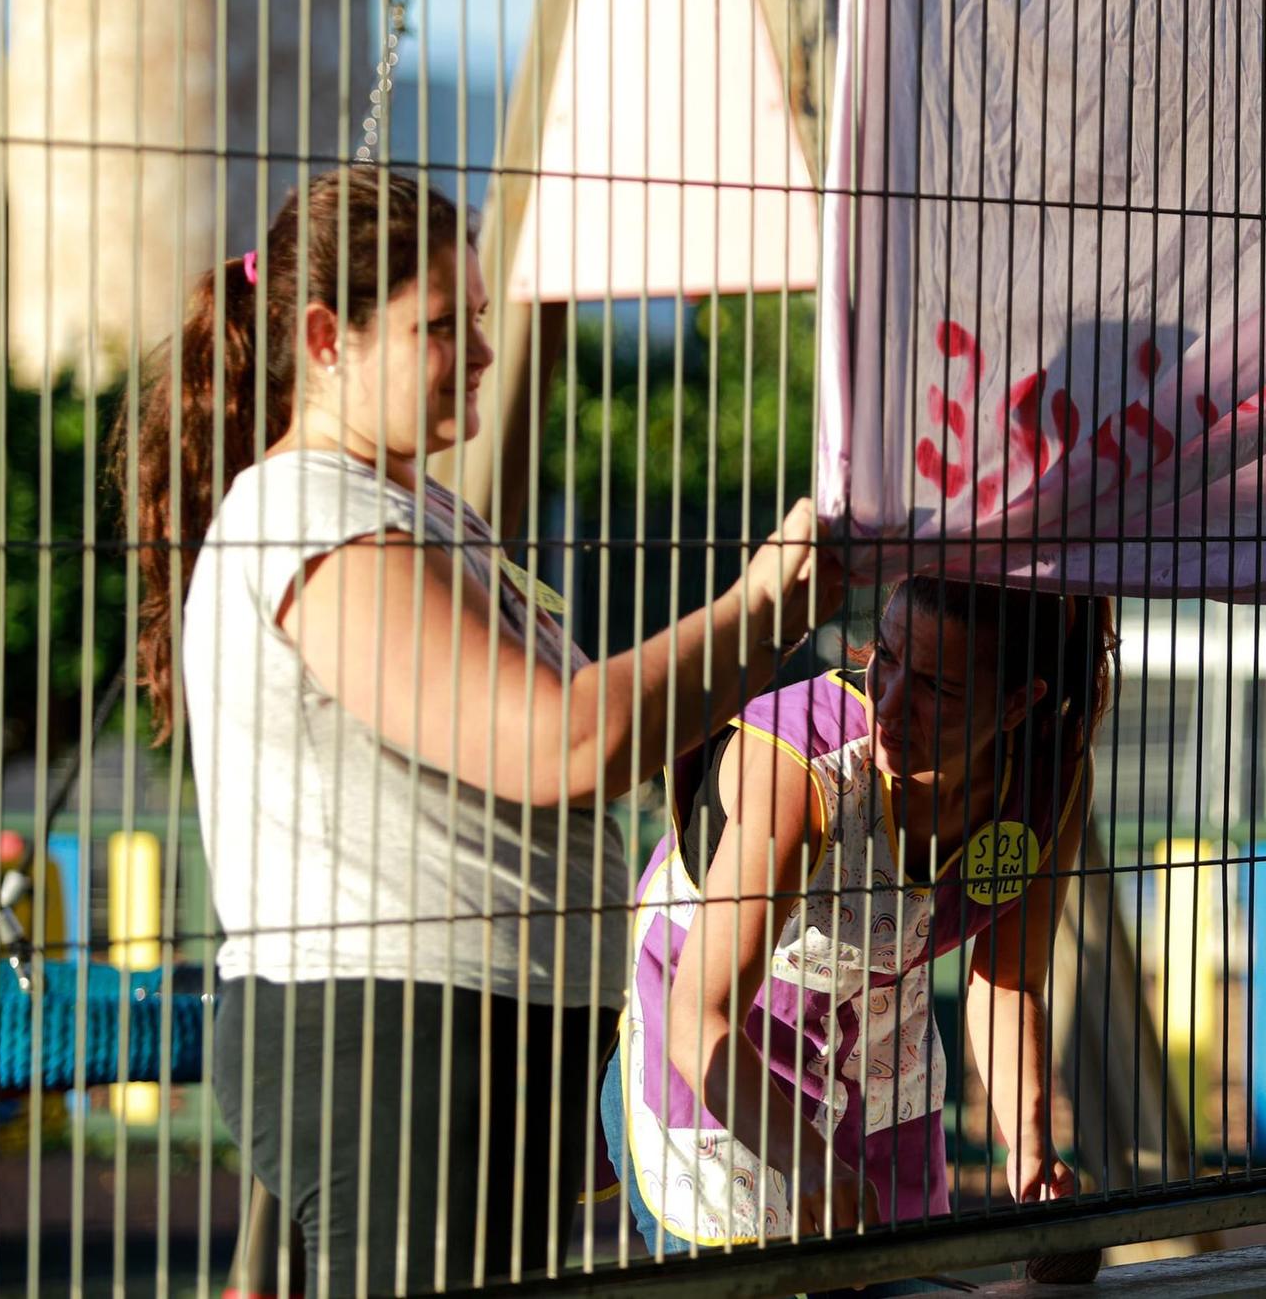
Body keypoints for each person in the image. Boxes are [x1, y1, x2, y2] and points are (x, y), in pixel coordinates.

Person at [113, 167, 839, 1294]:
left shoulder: (412, 508)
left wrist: (756, 633)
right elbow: (556, 743)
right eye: (442, 327)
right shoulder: (312, 516)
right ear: (325, 337)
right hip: (403, 1047)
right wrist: (752, 613)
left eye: (482, 320)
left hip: (456, 1045)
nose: (486, 355)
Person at [602, 576, 1116, 1258]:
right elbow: (703, 1018)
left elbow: (1008, 980)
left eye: (939, 687)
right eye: (889, 657)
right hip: (721, 1063)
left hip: (877, 1062)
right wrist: (807, 1158)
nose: (893, 704)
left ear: (1020, 702)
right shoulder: (799, 771)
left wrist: (1028, 1150)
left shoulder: (1052, 782)